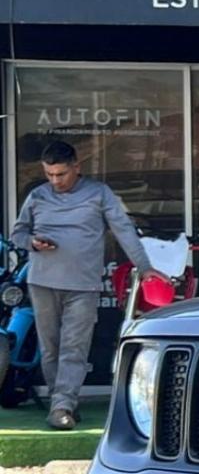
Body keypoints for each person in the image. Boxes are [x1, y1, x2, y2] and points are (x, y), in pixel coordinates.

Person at [9, 140, 164, 431]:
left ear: (76, 167)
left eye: (61, 174)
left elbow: (124, 231)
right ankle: (63, 402)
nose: (55, 181)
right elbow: (18, 233)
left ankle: (62, 406)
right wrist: (32, 243)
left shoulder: (99, 193)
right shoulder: (38, 196)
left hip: (83, 284)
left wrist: (145, 268)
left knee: (74, 347)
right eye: (50, 174)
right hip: (42, 281)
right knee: (51, 348)